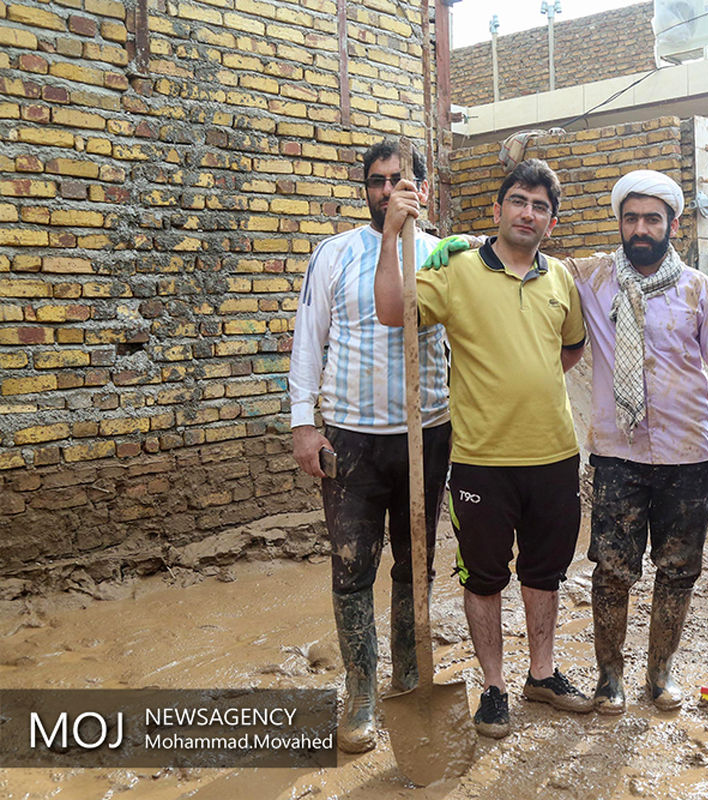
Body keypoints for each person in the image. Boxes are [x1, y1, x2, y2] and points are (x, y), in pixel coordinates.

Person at [423, 170, 708, 714]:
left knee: (679, 568)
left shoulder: (699, 288)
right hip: (618, 454)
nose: (640, 228)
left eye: (652, 219)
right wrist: (466, 241)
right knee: (613, 570)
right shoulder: (590, 277)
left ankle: (660, 673)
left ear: (672, 225)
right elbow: (522, 248)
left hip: (688, 453)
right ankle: (609, 677)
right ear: (619, 223)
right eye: (630, 218)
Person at [374, 158, 592, 739]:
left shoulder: (560, 278)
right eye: (518, 200)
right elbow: (392, 311)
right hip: (481, 460)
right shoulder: (458, 270)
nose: (528, 213)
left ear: (551, 221)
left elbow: (570, 347)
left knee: (545, 573)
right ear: (497, 209)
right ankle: (494, 687)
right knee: (484, 577)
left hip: (554, 455)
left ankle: (541, 675)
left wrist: (528, 380)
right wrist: (393, 235)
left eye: (541, 206)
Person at [288, 141, 452, 754]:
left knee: (416, 561)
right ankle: (361, 690)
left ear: (422, 190)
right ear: (366, 190)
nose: (388, 191)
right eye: (378, 181)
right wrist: (304, 425)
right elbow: (309, 340)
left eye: (399, 180)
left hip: (425, 433)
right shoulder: (335, 254)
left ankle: (408, 674)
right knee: (352, 564)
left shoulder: (444, 256)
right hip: (352, 438)